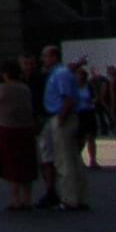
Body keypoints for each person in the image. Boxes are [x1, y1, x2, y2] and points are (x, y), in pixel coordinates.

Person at [41, 47, 90, 211]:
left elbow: (67, 98)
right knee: (74, 158)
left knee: (64, 160)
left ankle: (69, 199)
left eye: (45, 56)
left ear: (54, 56)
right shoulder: (64, 72)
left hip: (62, 117)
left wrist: (61, 118)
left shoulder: (59, 74)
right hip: (69, 117)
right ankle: (79, 196)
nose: (43, 59)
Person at [0, 60, 38, 210]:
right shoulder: (25, 88)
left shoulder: (0, 89)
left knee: (12, 166)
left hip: (7, 128)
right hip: (26, 128)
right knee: (26, 164)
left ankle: (16, 199)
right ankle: (27, 198)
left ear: (5, 74)